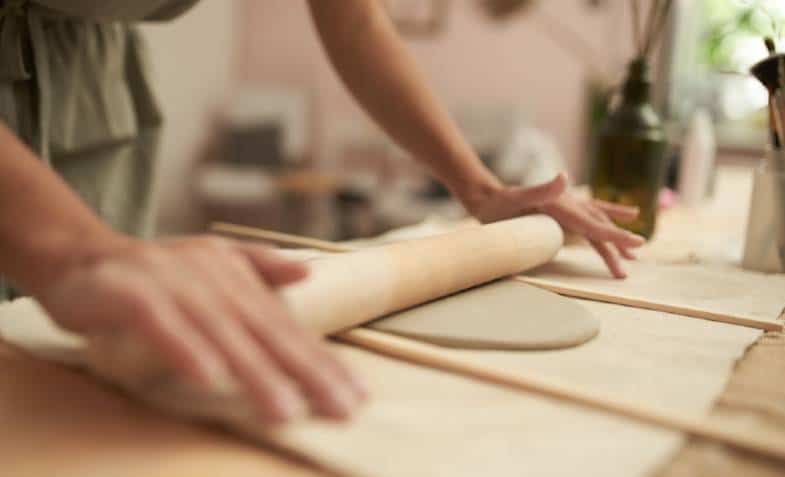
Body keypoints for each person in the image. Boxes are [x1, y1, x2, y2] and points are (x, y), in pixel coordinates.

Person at [0, 0, 644, 425]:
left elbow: (356, 23)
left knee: (72, 377)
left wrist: (480, 191)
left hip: (91, 104)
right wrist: (77, 249)